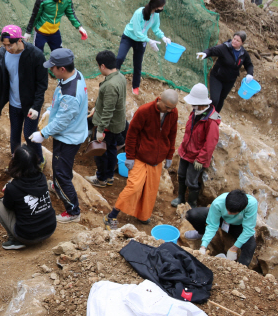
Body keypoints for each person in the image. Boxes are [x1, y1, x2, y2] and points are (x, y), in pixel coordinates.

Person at [104, 89, 179, 230]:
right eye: (167, 107)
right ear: (160, 100)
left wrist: (169, 155)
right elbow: (131, 134)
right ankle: (111, 215)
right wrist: (130, 157)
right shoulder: (144, 111)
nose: (169, 111)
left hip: (157, 159)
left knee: (150, 190)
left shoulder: (173, 113)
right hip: (140, 156)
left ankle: (143, 215)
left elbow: (172, 134)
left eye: (172, 108)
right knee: (134, 187)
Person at [29, 48, 88, 223]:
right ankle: (57, 186)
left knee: (61, 172)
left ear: (62, 68)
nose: (50, 70)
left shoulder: (71, 94)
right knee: (61, 167)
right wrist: (49, 111)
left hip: (68, 138)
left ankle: (72, 211)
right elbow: (61, 109)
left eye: (52, 68)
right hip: (71, 131)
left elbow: (63, 121)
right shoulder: (73, 76)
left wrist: (43, 133)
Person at [0, 25, 48, 166]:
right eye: (4, 45)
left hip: (30, 105)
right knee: (14, 133)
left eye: (10, 45)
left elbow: (42, 84)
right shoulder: (2, 54)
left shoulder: (36, 55)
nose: (7, 48)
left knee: (29, 135)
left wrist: (36, 106)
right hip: (14, 102)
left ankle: (39, 161)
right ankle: (17, 159)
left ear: (19, 41)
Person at [0, 145, 57, 250]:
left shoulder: (12, 188)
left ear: (15, 164)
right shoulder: (42, 177)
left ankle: (14, 240)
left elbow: (8, 206)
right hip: (50, 228)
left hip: (28, 236)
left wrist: (9, 190)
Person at [171, 83, 220, 208]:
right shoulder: (195, 112)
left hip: (197, 157)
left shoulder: (211, 120)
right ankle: (181, 197)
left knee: (191, 181)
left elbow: (210, 143)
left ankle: (192, 203)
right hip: (186, 152)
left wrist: (201, 159)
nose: (192, 105)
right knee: (181, 175)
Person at [85, 50, 127, 187]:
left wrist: (100, 130)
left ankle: (101, 179)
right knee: (111, 149)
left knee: (100, 152)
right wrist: (97, 107)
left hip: (108, 125)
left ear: (102, 66)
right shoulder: (120, 77)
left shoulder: (110, 85)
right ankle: (109, 177)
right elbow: (110, 102)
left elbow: (108, 110)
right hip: (117, 124)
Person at [185, 190, 258, 266]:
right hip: (221, 218)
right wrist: (203, 246)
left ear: (243, 208)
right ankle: (201, 233)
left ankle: (239, 269)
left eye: (232, 212)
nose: (229, 213)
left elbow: (248, 230)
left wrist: (234, 248)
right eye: (227, 209)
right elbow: (212, 225)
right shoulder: (219, 202)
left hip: (238, 225)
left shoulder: (251, 204)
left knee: (250, 245)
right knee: (193, 214)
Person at [116, 0, 171, 95]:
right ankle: (113, 78)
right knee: (120, 58)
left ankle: (135, 86)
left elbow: (156, 29)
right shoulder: (139, 13)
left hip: (141, 41)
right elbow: (137, 32)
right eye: (161, 7)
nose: (162, 9)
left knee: (138, 64)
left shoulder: (156, 15)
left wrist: (163, 38)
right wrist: (149, 41)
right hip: (129, 37)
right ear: (155, 5)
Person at [197, 31, 254, 113]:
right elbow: (212, 50)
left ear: (242, 43)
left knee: (221, 100)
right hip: (217, 77)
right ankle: (205, 115)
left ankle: (214, 118)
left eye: (238, 40)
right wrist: (205, 54)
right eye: (234, 39)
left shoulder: (243, 53)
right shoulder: (224, 47)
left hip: (229, 81)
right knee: (215, 99)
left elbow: (249, 65)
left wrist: (250, 74)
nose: (234, 41)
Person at [23, 0, 87, 51]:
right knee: (38, 55)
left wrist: (79, 27)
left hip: (55, 32)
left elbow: (70, 13)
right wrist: (28, 32)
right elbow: (35, 15)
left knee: (59, 54)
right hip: (40, 32)